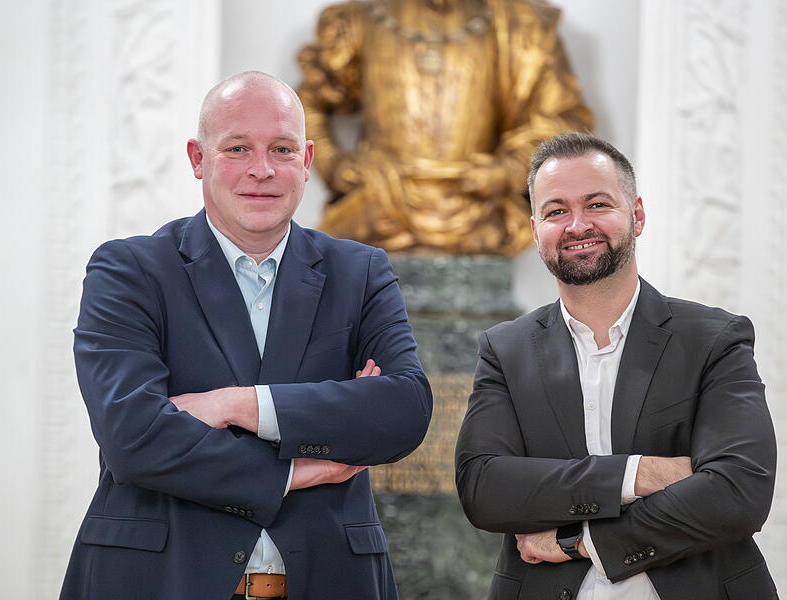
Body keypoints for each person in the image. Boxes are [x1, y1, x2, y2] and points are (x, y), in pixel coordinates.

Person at [60, 71, 432, 600]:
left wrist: (234, 404)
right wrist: (293, 469)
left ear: (306, 161)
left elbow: (403, 410)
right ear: (197, 158)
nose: (262, 169)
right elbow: (131, 435)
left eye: (281, 149)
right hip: (157, 583)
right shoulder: (130, 270)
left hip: (331, 583)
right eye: (237, 148)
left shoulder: (361, 272)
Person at [455, 133, 777, 599]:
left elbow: (739, 493)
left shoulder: (714, 339)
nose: (577, 225)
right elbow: (484, 490)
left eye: (597, 204)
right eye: (556, 211)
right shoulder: (506, 350)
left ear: (637, 215)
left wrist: (579, 542)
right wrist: (640, 473)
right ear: (534, 229)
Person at [297, 0, 593, 255]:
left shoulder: (523, 26)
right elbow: (303, 106)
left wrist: (510, 170)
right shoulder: (358, 20)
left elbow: (564, 119)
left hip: (481, 210)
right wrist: (334, 163)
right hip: (378, 203)